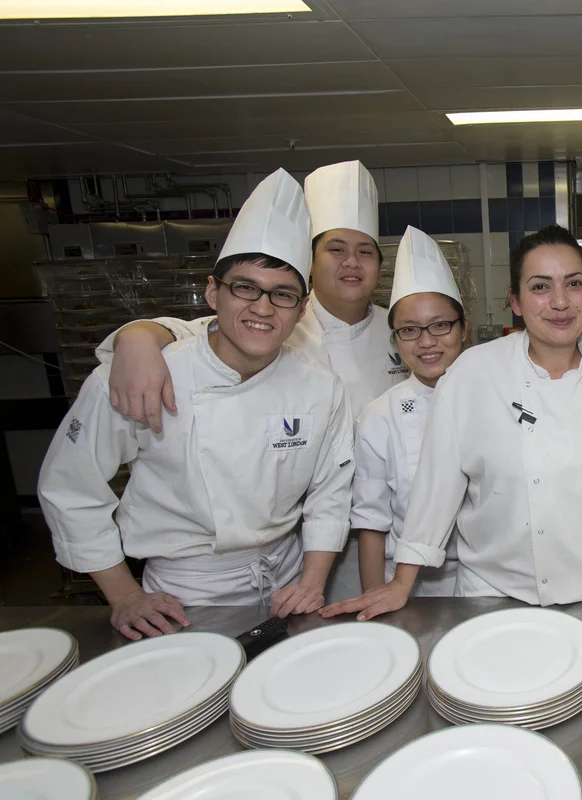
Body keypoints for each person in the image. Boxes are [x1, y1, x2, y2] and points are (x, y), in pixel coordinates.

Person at [38, 169, 354, 640]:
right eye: (245, 287)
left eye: (283, 295)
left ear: (302, 309)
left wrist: (311, 581)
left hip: (288, 579)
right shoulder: (145, 373)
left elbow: (331, 492)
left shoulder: (320, 386)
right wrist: (124, 595)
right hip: (184, 590)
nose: (262, 307)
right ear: (212, 292)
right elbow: (70, 487)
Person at [321, 225, 582, 620]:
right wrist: (401, 582)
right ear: (515, 300)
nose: (560, 302)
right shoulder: (473, 372)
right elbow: (437, 486)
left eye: (574, 284)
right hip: (494, 595)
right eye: (540, 287)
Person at [95, 160, 401, 602]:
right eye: (336, 248)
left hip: (367, 533)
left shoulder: (401, 332)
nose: (263, 307)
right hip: (291, 540)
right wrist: (140, 333)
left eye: (366, 251)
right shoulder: (277, 323)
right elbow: (206, 337)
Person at [348, 225, 468, 597]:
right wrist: (373, 599)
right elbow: (371, 521)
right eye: (410, 330)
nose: (427, 341)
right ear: (396, 340)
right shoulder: (378, 417)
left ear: (463, 329)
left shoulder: (498, 400)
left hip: (485, 579)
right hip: (409, 588)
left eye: (440, 325)